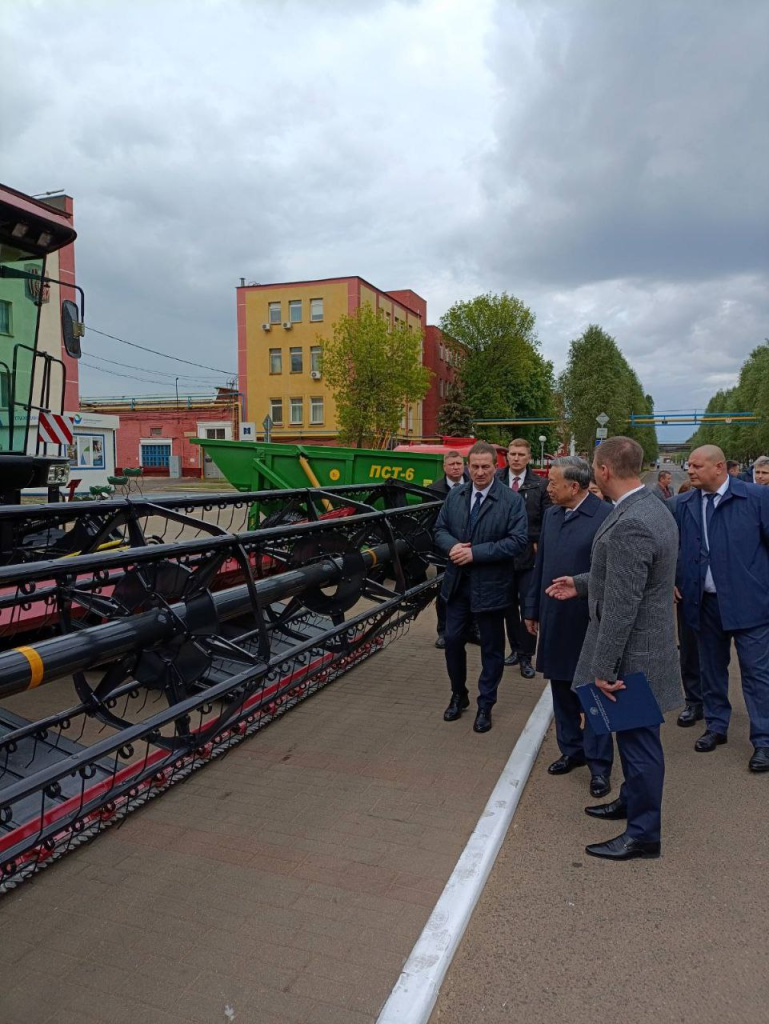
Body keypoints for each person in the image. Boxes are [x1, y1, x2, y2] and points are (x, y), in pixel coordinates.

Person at [546, 436, 682, 861]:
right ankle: (631, 801)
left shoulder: (632, 521)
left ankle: (643, 834)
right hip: (647, 646)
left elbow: (624, 605)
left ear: (603, 471)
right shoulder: (648, 507)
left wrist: (603, 668)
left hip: (632, 656)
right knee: (635, 740)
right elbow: (631, 578)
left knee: (640, 745)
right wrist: (581, 583)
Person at [674, 445, 769, 772]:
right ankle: (716, 726)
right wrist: (677, 578)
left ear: (719, 468)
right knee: (710, 669)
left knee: (757, 674)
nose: (690, 471)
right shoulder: (685, 503)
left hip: (749, 604)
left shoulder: (755, 498)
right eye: (689, 465)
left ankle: (764, 741)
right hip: (704, 603)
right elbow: (674, 545)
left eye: (697, 466)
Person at [523, 457, 614, 797]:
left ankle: (600, 765)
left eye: (553, 483)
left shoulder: (605, 518)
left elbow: (607, 575)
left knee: (592, 695)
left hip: (588, 622)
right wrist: (532, 609)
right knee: (560, 689)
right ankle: (571, 750)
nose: (548, 488)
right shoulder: (552, 515)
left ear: (574, 487)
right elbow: (541, 564)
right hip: (554, 616)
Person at [434, 441, 528, 733]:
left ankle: (486, 704)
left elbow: (517, 541)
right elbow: (439, 529)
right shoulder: (457, 496)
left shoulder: (511, 501)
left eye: (485, 466)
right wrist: (453, 547)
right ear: (467, 466)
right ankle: (458, 694)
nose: (479, 472)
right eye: (473, 466)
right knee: (452, 641)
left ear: (495, 467)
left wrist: (476, 552)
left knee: (492, 648)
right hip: (458, 583)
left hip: (492, 586)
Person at [496, 438, 551, 678]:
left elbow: (548, 518)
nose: (516, 458)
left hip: (530, 556)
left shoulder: (539, 485)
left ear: (529, 458)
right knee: (507, 606)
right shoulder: (496, 480)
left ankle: (527, 656)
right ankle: (515, 649)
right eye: (512, 453)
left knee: (528, 606)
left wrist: (537, 540)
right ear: (507, 456)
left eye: (520, 454)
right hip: (502, 555)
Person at [666, 480, 703, 727]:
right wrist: (670, 580)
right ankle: (694, 701)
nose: (691, 470)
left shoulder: (744, 503)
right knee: (689, 649)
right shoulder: (676, 506)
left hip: (727, 593)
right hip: (688, 589)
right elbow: (668, 548)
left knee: (718, 653)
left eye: (698, 466)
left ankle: (716, 701)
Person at [429, 452, 470, 649]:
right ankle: (443, 631)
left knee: (472, 590)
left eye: (459, 463)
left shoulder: (473, 484)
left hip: (471, 549)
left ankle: (472, 630)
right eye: (452, 464)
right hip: (445, 552)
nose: (456, 467)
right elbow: (431, 525)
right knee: (444, 593)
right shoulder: (433, 490)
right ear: (444, 467)